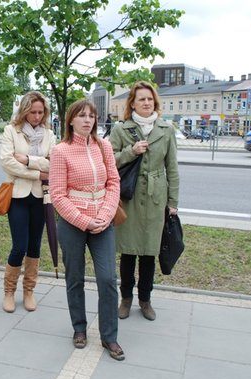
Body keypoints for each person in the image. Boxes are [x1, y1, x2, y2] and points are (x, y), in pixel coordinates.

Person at [50, 99, 124, 361]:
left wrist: (104, 215)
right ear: (70, 120)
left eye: (91, 116)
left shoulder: (104, 146)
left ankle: (109, 336)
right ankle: (79, 329)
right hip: (73, 223)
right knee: (75, 278)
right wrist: (84, 221)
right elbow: (58, 195)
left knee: (107, 278)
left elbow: (114, 182)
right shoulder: (61, 151)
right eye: (81, 116)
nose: (87, 120)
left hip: (103, 222)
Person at [109, 81, 179, 321]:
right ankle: (126, 299)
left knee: (149, 252)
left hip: (155, 199)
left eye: (150, 99)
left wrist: (173, 202)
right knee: (128, 252)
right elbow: (109, 161)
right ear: (132, 103)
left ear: (155, 101)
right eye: (141, 99)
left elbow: (173, 169)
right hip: (129, 196)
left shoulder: (166, 130)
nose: (146, 103)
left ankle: (145, 300)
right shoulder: (121, 130)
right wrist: (131, 151)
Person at [0, 91, 56, 313]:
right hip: (18, 196)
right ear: (24, 111)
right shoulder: (10, 131)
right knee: (19, 246)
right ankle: (9, 291)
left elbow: (53, 164)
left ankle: (29, 291)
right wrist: (37, 173)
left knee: (34, 246)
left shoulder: (49, 135)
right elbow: (7, 162)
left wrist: (29, 160)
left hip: (41, 198)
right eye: (32, 112)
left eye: (41, 112)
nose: (36, 116)